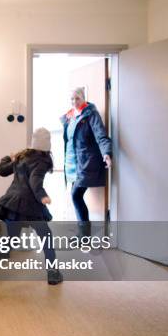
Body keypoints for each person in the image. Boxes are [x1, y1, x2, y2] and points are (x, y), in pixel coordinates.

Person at [0, 127, 63, 286]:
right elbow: (35, 181)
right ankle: (53, 273)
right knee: (46, 237)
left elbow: (2, 170)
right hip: (31, 205)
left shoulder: (22, 156)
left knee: (11, 242)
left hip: (12, 203)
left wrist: (7, 157)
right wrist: (42, 196)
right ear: (47, 146)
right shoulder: (42, 160)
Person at [61, 87, 112, 235]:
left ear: (84, 98)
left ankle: (84, 234)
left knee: (76, 195)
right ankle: (83, 233)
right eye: (71, 99)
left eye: (77, 98)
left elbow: (101, 136)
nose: (74, 102)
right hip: (72, 164)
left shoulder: (91, 114)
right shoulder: (70, 117)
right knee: (75, 195)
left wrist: (106, 153)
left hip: (85, 162)